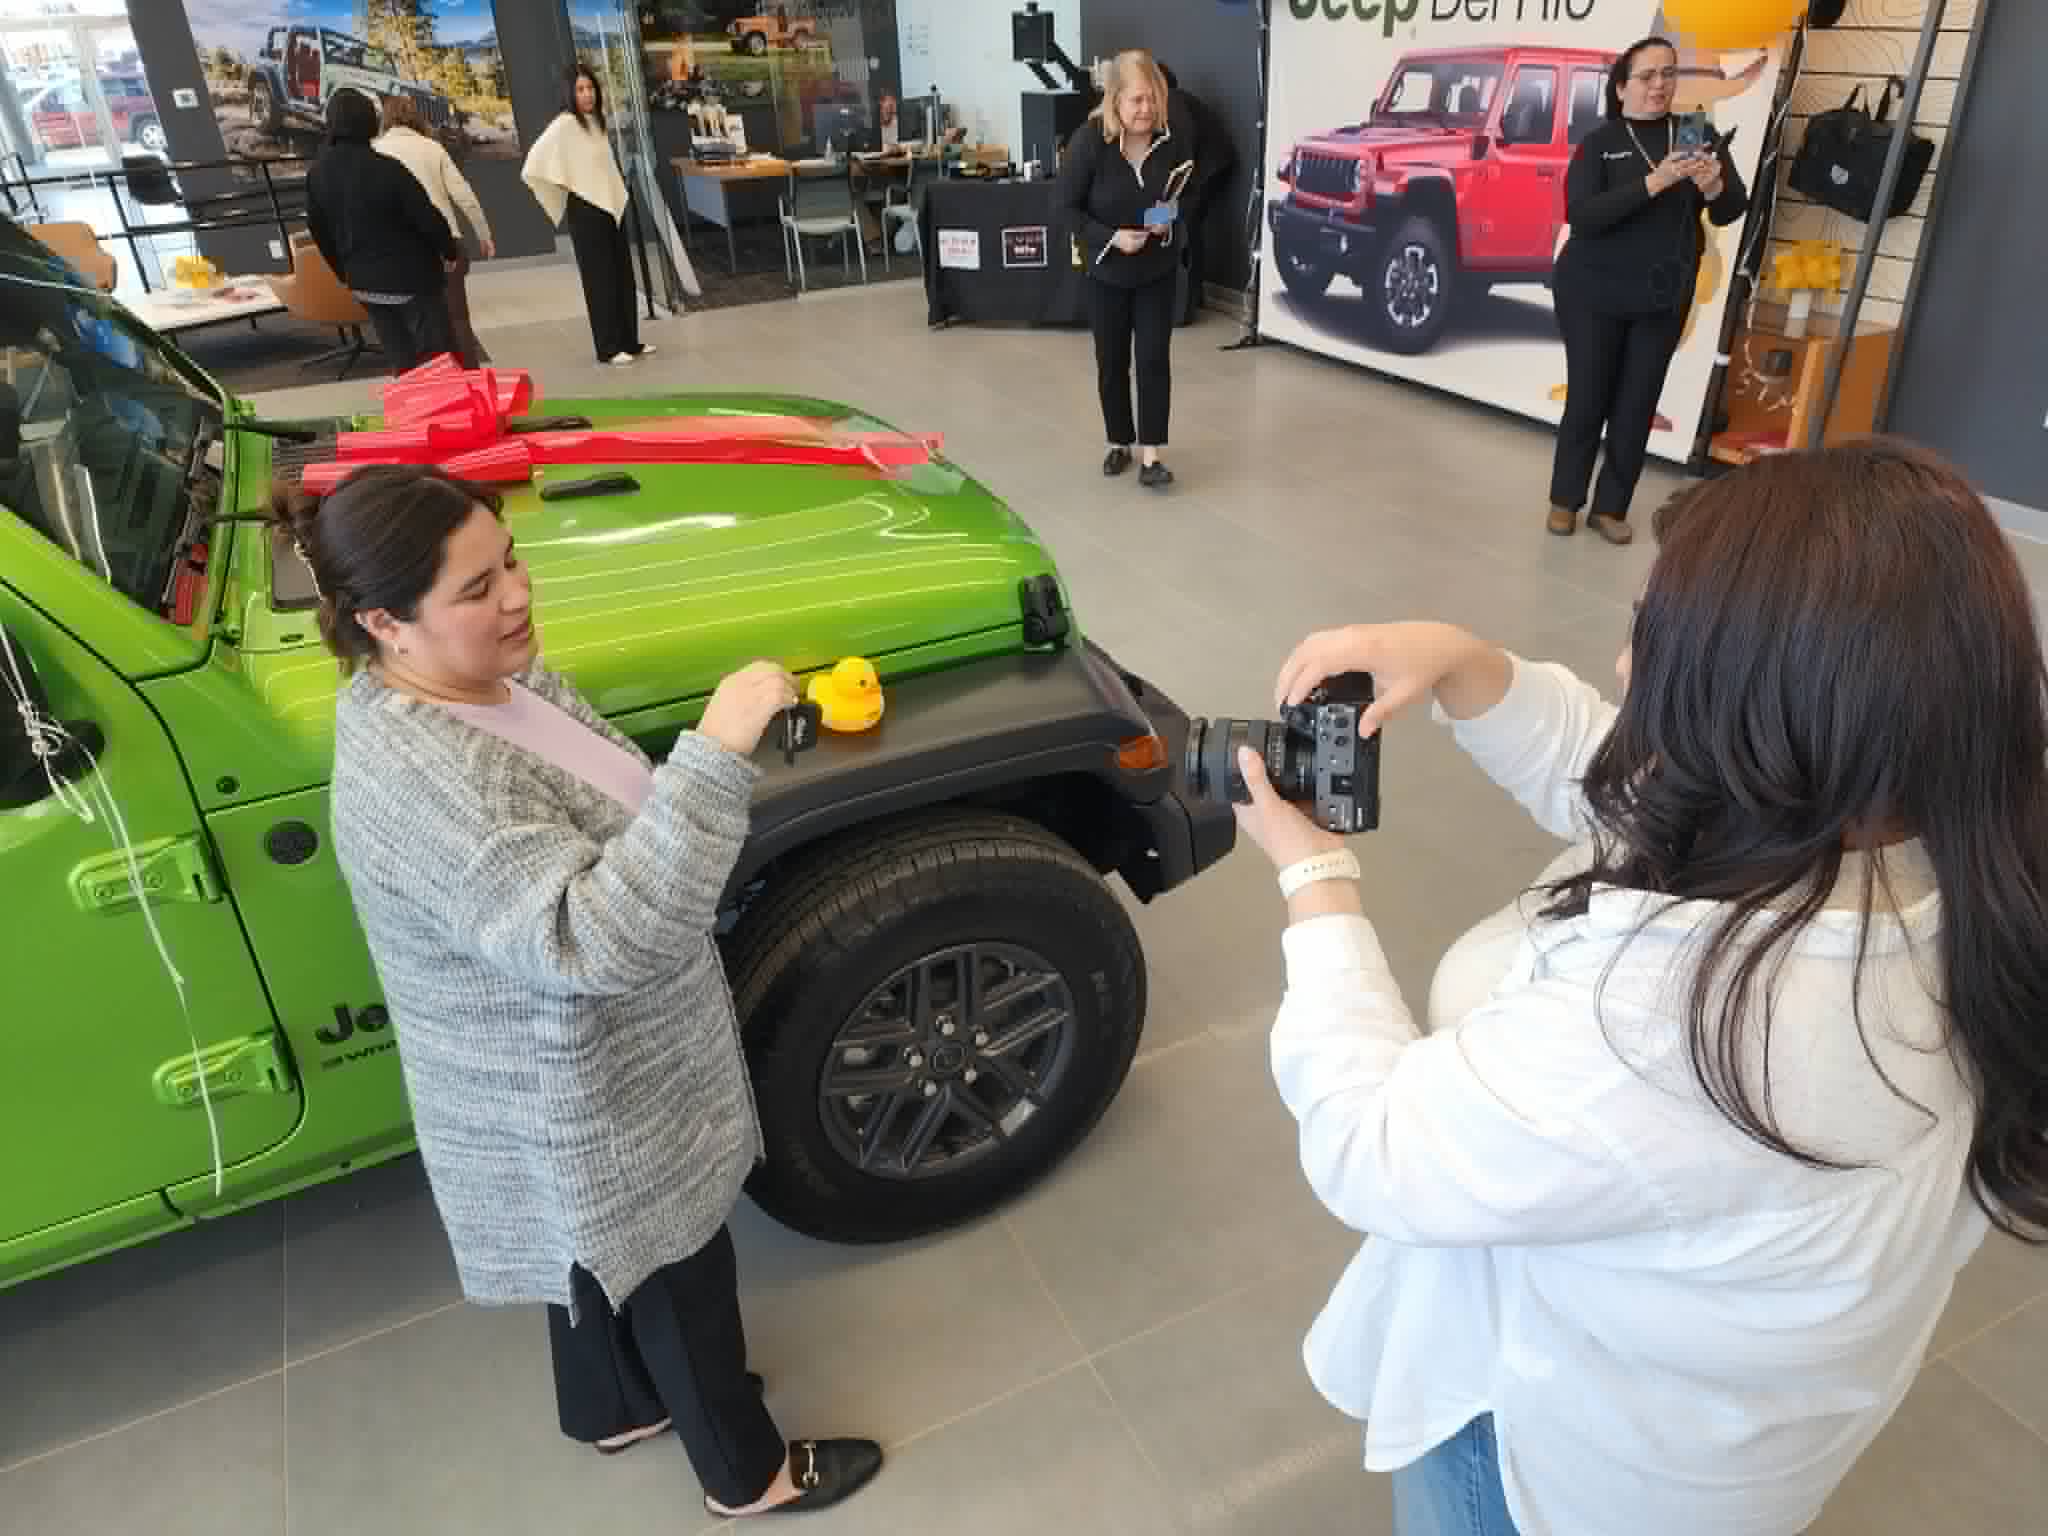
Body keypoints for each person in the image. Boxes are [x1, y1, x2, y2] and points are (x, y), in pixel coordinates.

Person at [1232, 438, 2048, 1536]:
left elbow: (1373, 1147)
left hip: (1560, 1472)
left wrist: (1313, 878)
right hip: (1743, 1451)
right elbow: (1631, 781)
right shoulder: (1946, 846)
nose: (1623, 668)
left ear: (1759, 706)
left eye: (1653, 641)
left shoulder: (1658, 1030)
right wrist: (1467, 667)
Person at [279, 464, 883, 1518]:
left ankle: (613, 1409)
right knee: (681, 1273)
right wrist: (716, 750)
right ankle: (747, 1476)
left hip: (564, 1080)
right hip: (587, 1089)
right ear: (383, 621)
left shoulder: (467, 685)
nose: (517, 595)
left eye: (509, 562)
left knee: (591, 1247)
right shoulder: (430, 779)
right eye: (476, 589)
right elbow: (590, 942)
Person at [1547, 36, 1747, 545]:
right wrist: (1654, 182)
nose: (1660, 84)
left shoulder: (1696, 133)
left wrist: (1713, 186)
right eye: (1647, 75)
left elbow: (1732, 208)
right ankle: (1565, 500)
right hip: (1592, 291)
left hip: (1662, 295)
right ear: (1621, 87)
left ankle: (1611, 508)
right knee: (1588, 397)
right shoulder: (1600, 142)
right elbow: (1583, 217)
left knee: (1637, 404)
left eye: (1669, 73)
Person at [1055, 48, 1195, 491]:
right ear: (1115, 99)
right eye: (1137, 100)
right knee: (1111, 361)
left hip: (1157, 270)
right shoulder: (1089, 142)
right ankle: (1119, 441)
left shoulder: (1172, 141)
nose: (1146, 108)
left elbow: (1184, 197)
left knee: (1153, 359)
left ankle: (1152, 454)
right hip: (1106, 271)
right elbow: (1066, 209)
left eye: (1153, 98)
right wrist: (1113, 238)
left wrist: (1166, 220)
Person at [305, 91, 460, 374]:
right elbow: (427, 217)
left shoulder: (317, 174)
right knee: (438, 360)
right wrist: (449, 252)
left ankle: (412, 399)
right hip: (412, 280)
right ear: (370, 122)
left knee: (401, 359)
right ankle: (446, 401)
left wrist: (343, 273)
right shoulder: (387, 169)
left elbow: (319, 230)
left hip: (365, 284)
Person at [522, 65, 653, 367]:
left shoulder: (596, 122)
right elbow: (534, 163)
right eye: (580, 89)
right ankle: (608, 347)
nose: (587, 95)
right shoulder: (564, 125)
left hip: (610, 208)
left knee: (622, 275)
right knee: (600, 280)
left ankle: (629, 341)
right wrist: (568, 184)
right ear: (570, 93)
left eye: (590, 88)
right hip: (586, 211)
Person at [376, 97, 496, 368]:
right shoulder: (432, 148)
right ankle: (470, 379)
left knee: (418, 326)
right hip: (446, 244)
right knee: (458, 319)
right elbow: (464, 196)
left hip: (402, 251)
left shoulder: (377, 151)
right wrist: (484, 234)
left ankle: (435, 384)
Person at [1157, 62, 1236, 325]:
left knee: (1186, 223)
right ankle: (1191, 295)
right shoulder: (1172, 101)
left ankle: (1187, 299)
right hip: (1205, 167)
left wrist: (1172, 193)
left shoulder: (1172, 101)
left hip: (1208, 169)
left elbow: (1183, 149)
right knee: (1186, 222)